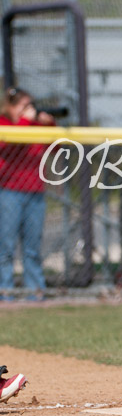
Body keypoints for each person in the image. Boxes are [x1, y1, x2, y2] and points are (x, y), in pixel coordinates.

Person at [0, 87, 55, 301]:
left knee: (33, 248)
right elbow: (12, 142)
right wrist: (25, 120)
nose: (30, 110)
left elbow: (56, 148)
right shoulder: (4, 123)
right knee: (6, 247)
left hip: (35, 192)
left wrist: (49, 124)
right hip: (9, 191)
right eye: (24, 106)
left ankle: (35, 292)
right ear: (11, 107)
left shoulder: (36, 126)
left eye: (31, 106)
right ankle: (5, 292)